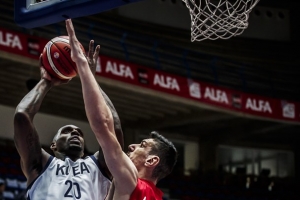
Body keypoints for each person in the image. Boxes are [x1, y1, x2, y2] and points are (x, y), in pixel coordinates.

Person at [65, 18, 178, 200]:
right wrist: (92, 80)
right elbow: (113, 125)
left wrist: (82, 65)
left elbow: (103, 126)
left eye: (143, 145)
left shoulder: (132, 184)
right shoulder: (153, 195)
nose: (132, 145)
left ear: (151, 161)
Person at [13, 37, 124, 199]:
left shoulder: (100, 166)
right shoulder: (40, 164)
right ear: (53, 145)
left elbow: (114, 128)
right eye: (67, 131)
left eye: (79, 133)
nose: (75, 134)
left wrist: (90, 80)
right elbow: (21, 116)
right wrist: (46, 81)